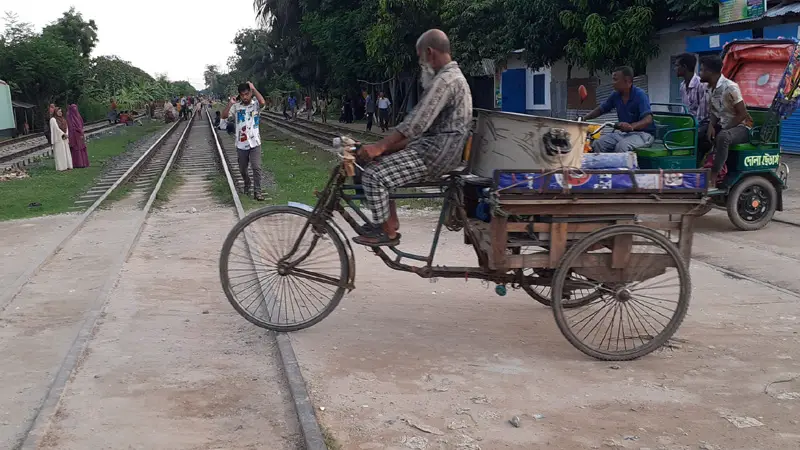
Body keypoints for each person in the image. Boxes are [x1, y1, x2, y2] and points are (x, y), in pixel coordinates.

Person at [355, 29, 472, 246]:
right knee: (380, 164)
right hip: (436, 148)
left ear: (429, 52)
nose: (421, 63)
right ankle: (390, 222)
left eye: (420, 58)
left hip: (435, 153)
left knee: (373, 176)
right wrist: (385, 150)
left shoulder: (445, 81)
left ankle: (385, 231)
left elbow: (416, 123)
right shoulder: (450, 77)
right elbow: (420, 130)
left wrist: (380, 146)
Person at [699, 55, 753, 184]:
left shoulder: (730, 87)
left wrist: (724, 128)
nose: (699, 74)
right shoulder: (709, 89)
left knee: (723, 136)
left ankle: (714, 175)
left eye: (701, 70)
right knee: (700, 133)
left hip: (742, 127)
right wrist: (711, 126)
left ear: (710, 72)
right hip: (723, 124)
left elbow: (742, 114)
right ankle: (698, 170)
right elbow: (714, 111)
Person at [581, 67, 656, 153]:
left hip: (643, 135)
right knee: (598, 143)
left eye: (615, 80)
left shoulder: (640, 95)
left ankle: (624, 166)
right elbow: (601, 109)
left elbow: (648, 119)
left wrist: (631, 126)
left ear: (627, 81)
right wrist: (583, 118)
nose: (613, 83)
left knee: (622, 146)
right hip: (624, 134)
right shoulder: (616, 95)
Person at [222, 81, 267, 201]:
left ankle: (257, 191)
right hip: (241, 144)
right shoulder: (236, 107)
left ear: (250, 93)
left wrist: (254, 88)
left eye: (247, 94)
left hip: (255, 142)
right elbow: (224, 116)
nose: (245, 97)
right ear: (239, 95)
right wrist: (230, 103)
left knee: (256, 167)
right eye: (242, 95)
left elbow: (263, 102)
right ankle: (247, 182)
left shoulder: (255, 104)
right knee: (242, 168)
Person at [50, 107, 73, 171]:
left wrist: (66, 134)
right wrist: (63, 134)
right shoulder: (53, 119)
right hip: (58, 138)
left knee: (66, 152)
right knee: (60, 153)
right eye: (59, 111)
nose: (60, 113)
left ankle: (68, 165)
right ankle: (61, 167)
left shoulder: (63, 119)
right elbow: (56, 129)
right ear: (55, 112)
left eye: (61, 111)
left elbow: (66, 127)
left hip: (64, 138)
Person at [67, 104, 89, 168]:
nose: (75, 109)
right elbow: (70, 126)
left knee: (81, 148)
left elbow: (81, 124)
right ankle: (78, 163)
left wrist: (80, 131)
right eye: (73, 108)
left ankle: (83, 162)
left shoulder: (78, 115)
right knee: (76, 149)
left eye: (75, 107)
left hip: (80, 134)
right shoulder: (69, 115)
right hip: (74, 135)